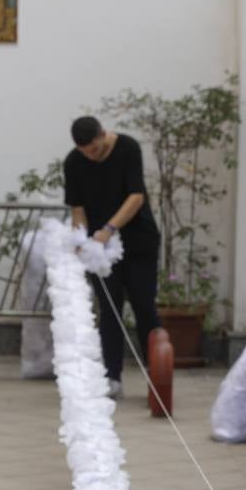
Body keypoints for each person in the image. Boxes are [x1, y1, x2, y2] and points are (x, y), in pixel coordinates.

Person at [64, 115, 163, 399]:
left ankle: (157, 375)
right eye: (85, 153)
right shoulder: (73, 162)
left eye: (94, 150)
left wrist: (109, 229)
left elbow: (136, 197)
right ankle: (112, 376)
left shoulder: (128, 148)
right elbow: (78, 208)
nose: (91, 157)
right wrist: (81, 239)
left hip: (138, 242)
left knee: (144, 306)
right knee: (109, 309)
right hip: (101, 251)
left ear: (102, 135)